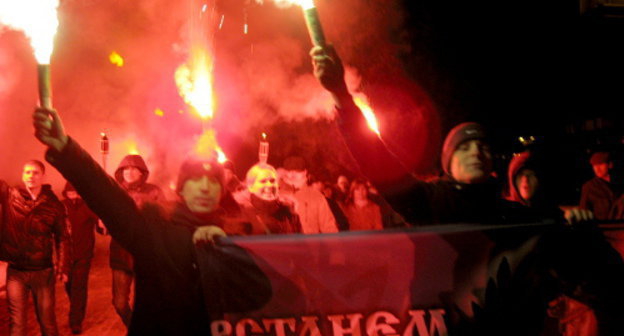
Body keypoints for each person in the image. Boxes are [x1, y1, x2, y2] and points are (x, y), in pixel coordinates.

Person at [33, 107, 271, 335]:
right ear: (181, 189)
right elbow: (106, 195)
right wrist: (66, 150)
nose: (205, 187)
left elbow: (260, 293)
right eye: (196, 179)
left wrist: (226, 251)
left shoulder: (235, 234)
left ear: (221, 191)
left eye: (213, 181)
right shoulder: (153, 228)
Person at [0, 160, 71, 336]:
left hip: (43, 272)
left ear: (43, 176)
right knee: (17, 324)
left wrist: (63, 267)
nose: (31, 176)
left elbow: (63, 238)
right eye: (27, 172)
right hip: (16, 272)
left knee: (47, 322)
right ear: (23, 175)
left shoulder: (53, 204)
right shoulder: (9, 194)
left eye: (35, 172)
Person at [110, 154, 165, 328]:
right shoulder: (114, 191)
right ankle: (136, 327)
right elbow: (104, 217)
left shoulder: (154, 191)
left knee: (145, 304)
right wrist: (101, 222)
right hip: (120, 253)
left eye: (134, 168)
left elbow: (165, 220)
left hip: (146, 255)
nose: (129, 172)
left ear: (142, 172)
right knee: (119, 303)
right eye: (125, 168)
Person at [62, 182, 99, 334]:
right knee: (69, 286)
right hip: (66, 255)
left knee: (79, 287)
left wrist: (103, 225)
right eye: (69, 191)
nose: (72, 193)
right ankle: (76, 308)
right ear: (66, 192)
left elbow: (100, 224)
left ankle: (75, 321)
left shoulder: (88, 205)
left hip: (84, 254)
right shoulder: (61, 206)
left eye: (75, 191)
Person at [229, 163, 301, 235]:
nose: (269, 185)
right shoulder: (241, 216)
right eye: (263, 181)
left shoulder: (289, 214)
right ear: (251, 187)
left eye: (272, 181)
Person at [278, 156, 338, 234]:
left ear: (305, 172)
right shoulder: (276, 194)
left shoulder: (316, 196)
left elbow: (329, 227)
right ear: (285, 172)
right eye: (289, 171)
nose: (293, 174)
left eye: (297, 171)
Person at [580, 151, 619, 220]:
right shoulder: (589, 187)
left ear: (610, 165)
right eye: (594, 165)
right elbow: (584, 212)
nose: (597, 169)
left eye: (600, 164)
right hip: (601, 227)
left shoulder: (619, 184)